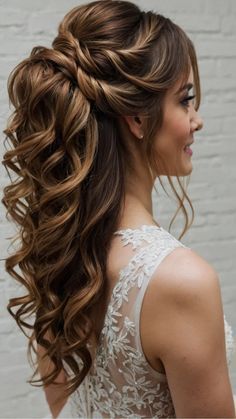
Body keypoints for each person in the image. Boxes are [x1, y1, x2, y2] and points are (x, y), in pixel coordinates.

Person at [1, 0, 235, 417]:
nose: (195, 120)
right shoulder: (183, 281)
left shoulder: (58, 258)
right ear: (138, 120)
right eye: (185, 100)